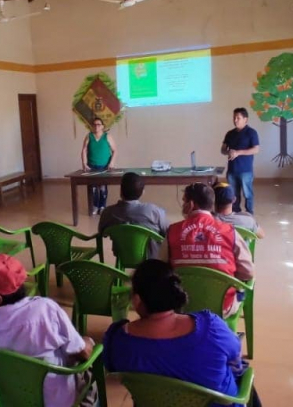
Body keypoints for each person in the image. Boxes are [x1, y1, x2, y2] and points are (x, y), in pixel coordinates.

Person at [103, 259, 260, 407]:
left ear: (137, 300)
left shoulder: (117, 340)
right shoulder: (212, 327)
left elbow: (112, 366)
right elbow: (235, 357)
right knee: (243, 374)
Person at [0, 254, 98, 407]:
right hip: (56, 401)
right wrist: (88, 342)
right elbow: (83, 353)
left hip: (10, 397)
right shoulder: (46, 311)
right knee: (87, 359)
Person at [160, 183, 254, 318]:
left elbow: (161, 269)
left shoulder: (173, 232)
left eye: (184, 201)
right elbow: (248, 272)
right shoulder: (229, 232)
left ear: (191, 204)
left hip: (181, 305)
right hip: (222, 306)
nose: (183, 205)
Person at [98, 172, 169, 258]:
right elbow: (167, 233)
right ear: (142, 192)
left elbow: (101, 233)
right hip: (151, 258)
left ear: (120, 191)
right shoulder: (154, 211)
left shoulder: (108, 212)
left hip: (122, 255)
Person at [221, 108, 260, 214]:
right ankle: (236, 212)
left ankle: (249, 213)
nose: (235, 120)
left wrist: (238, 152)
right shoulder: (230, 133)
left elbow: (256, 149)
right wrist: (228, 152)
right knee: (233, 194)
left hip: (245, 170)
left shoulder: (251, 133)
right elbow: (223, 149)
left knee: (248, 194)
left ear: (245, 119)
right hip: (232, 170)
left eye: (238, 118)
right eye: (234, 118)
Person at [81, 117, 117, 216]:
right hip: (91, 166)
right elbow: (84, 150)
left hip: (104, 166)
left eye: (98, 124)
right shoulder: (89, 136)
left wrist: (111, 163)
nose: (96, 126)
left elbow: (115, 150)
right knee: (93, 188)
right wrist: (84, 163)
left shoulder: (107, 136)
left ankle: (102, 206)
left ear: (102, 126)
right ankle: (95, 206)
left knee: (102, 187)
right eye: (94, 124)